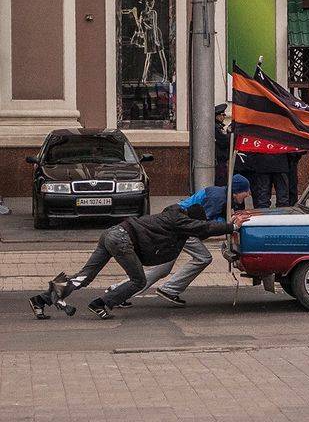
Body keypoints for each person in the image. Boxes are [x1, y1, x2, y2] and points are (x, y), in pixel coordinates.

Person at [28, 204, 249, 320]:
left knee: (85, 275)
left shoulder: (171, 216)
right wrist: (232, 227)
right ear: (190, 219)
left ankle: (41, 299)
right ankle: (102, 304)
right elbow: (204, 228)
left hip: (111, 233)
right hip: (124, 239)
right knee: (138, 280)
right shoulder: (179, 220)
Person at [106, 175, 251, 306]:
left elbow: (209, 221)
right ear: (237, 191)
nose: (249, 194)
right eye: (246, 190)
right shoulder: (218, 197)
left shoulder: (221, 195)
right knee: (204, 258)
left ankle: (118, 291)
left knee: (163, 267)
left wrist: (227, 220)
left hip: (181, 225)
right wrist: (230, 224)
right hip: (184, 227)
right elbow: (204, 226)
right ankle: (170, 289)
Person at [214, 104, 231, 187]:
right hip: (220, 160)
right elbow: (224, 141)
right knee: (221, 181)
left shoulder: (218, 126)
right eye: (223, 115)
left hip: (221, 160)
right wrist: (229, 133)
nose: (224, 117)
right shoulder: (217, 128)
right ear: (217, 116)